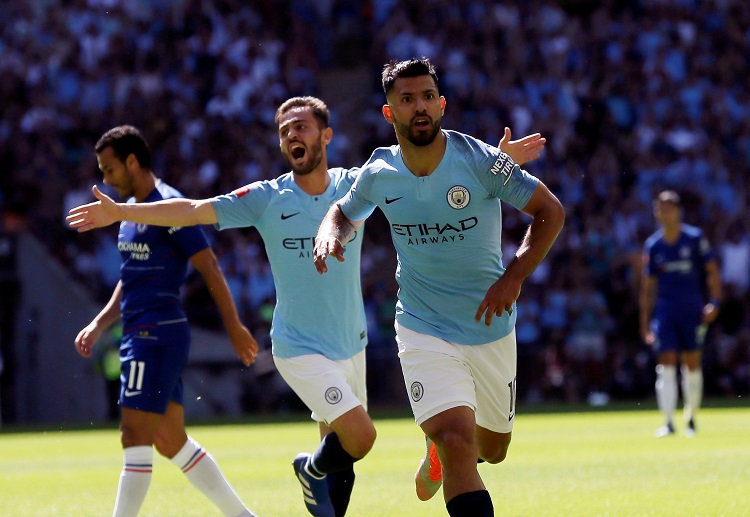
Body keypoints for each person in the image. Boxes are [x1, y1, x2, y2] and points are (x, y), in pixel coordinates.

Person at [68, 98, 546, 516]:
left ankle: (324, 473)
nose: (292, 134)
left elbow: (423, 169)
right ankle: (310, 468)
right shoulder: (266, 198)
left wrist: (496, 161)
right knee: (358, 437)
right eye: (285, 130)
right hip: (298, 346)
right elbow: (193, 210)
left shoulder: (357, 183)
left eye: (301, 126)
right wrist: (122, 210)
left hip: (350, 343)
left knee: (350, 455)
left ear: (326, 135)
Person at [313, 58, 565, 517]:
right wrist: (330, 232)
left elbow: (551, 212)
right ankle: (442, 445)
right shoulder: (378, 172)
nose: (420, 106)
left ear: (442, 104)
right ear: (390, 113)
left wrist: (514, 277)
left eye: (428, 96)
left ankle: (438, 453)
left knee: (492, 449)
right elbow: (343, 212)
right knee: (455, 441)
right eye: (407, 100)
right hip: (421, 324)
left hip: (488, 324)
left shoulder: (482, 161)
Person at [69, 126, 258, 517]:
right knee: (170, 440)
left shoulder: (168, 207)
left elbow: (208, 266)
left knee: (132, 434)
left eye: (109, 170)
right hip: (145, 332)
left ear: (132, 161)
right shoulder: (127, 212)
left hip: (155, 333)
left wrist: (235, 327)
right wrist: (100, 323)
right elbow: (131, 276)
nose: (105, 179)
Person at [639, 190, 721, 438]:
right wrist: (644, 324)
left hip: (692, 310)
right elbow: (647, 288)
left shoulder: (695, 239)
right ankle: (668, 421)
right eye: (659, 208)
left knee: (692, 364)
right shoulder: (654, 245)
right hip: (665, 311)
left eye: (668, 208)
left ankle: (692, 417)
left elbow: (712, 272)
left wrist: (715, 302)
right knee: (665, 365)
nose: (663, 213)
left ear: (678, 210)